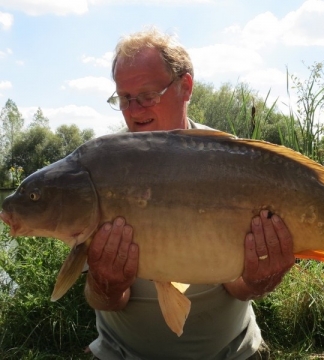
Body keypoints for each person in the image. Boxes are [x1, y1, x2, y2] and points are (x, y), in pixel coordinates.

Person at [85, 27, 295, 360]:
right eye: (125, 98)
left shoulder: (231, 160)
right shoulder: (101, 170)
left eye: (148, 94)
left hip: (232, 353)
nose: (135, 110)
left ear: (186, 87)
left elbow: (238, 287)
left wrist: (259, 280)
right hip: (122, 354)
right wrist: (106, 282)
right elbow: (108, 301)